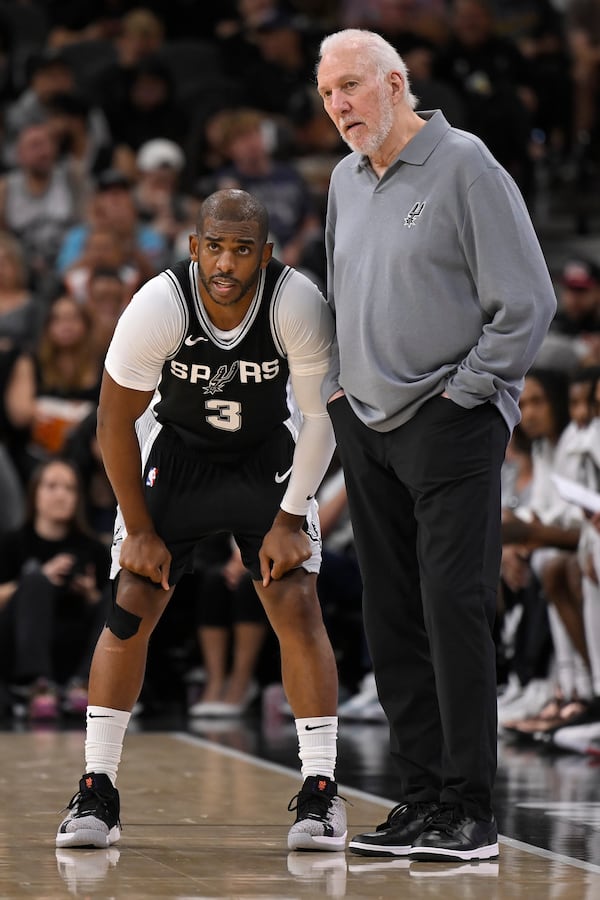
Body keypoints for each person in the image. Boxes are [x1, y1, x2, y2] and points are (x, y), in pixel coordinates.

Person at [315, 28, 557, 862]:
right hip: (369, 423)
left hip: (449, 419)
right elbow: (344, 296)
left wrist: (466, 391)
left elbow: (527, 301)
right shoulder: (345, 181)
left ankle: (471, 811)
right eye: (327, 95)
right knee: (392, 614)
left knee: (452, 606)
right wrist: (340, 388)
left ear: (394, 82)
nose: (339, 105)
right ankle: (420, 798)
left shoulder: (467, 165)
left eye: (350, 86)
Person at [55, 188, 346, 853]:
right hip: (180, 459)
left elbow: (322, 420)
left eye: (242, 249)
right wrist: (141, 529)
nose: (226, 262)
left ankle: (322, 792)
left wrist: (290, 517)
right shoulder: (159, 303)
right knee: (131, 599)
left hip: (266, 458)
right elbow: (113, 420)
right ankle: (98, 788)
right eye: (214, 246)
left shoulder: (296, 301)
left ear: (264, 255)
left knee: (296, 600)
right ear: (193, 248)